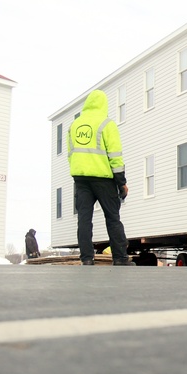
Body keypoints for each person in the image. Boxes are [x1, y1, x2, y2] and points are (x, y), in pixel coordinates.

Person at [68, 89, 131, 265]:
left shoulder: (74, 126)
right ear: (104, 104)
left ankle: (87, 259)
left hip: (81, 180)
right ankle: (120, 258)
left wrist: (78, 173)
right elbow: (115, 157)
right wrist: (121, 183)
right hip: (104, 179)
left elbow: (70, 155)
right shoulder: (106, 124)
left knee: (84, 220)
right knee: (112, 218)